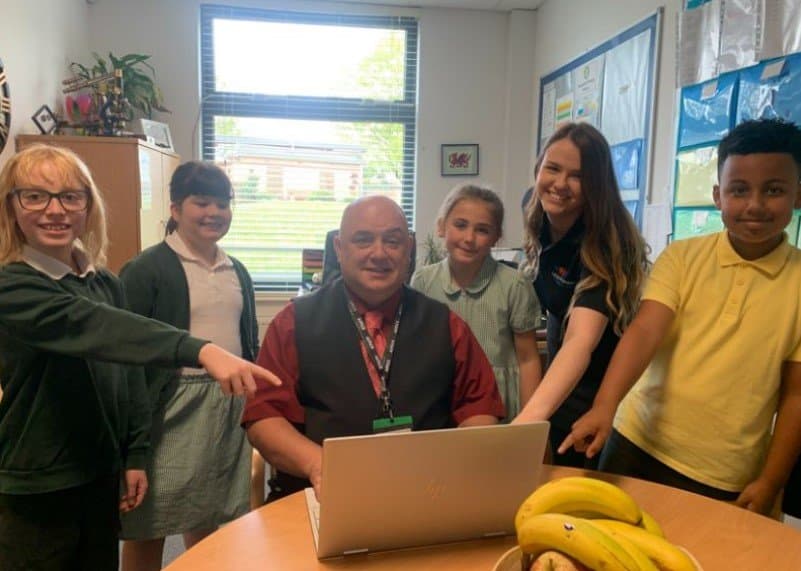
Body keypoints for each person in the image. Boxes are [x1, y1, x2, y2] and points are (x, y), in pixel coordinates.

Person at [0, 144, 280, 571]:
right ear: (11, 205)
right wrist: (200, 349)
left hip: (100, 469)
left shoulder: (103, 283)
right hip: (39, 480)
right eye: (35, 196)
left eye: (70, 197)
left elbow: (125, 376)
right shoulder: (12, 285)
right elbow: (98, 328)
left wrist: (132, 456)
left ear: (88, 207)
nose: (55, 210)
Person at [560, 118, 801, 515]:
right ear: (717, 196)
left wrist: (772, 481)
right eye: (738, 190)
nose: (755, 204)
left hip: (726, 476)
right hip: (635, 443)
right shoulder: (682, 258)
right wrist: (605, 405)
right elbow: (644, 332)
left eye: (773, 190)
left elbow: (795, 395)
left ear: (797, 195)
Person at [243, 195, 505, 501]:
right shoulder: (293, 323)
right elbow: (264, 416)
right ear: (340, 249)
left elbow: (479, 409)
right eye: (363, 240)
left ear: (408, 250)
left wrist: (448, 467)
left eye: (392, 242)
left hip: (426, 494)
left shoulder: (447, 325)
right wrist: (320, 466)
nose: (379, 254)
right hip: (319, 496)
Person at [119, 162, 259, 570]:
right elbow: (127, 355)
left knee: (209, 514)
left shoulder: (238, 271)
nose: (214, 212)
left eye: (223, 203)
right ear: (176, 208)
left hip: (227, 406)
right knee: (150, 519)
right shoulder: (146, 270)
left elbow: (246, 341)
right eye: (201, 202)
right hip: (170, 408)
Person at [512, 122, 649, 470]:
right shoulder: (535, 206)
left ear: (596, 187)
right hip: (559, 375)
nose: (559, 184)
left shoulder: (606, 245)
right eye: (552, 168)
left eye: (577, 176)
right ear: (538, 167)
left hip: (601, 389)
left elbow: (580, 341)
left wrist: (526, 424)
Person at [411, 184, 542, 417]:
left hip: (499, 401)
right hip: (442, 398)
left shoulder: (515, 285)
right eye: (460, 225)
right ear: (442, 226)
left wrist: (532, 419)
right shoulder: (423, 281)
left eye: (482, 230)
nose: (469, 238)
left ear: (496, 238)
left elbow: (528, 358)